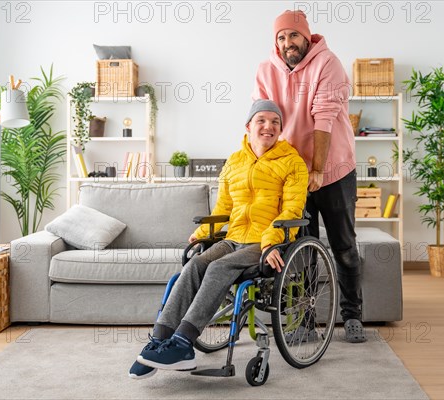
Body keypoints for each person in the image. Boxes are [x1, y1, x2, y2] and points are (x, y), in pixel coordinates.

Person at [129, 99, 308, 379]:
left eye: (275, 122)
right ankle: (160, 340)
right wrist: (203, 233)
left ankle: (183, 343)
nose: (268, 126)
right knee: (194, 266)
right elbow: (223, 209)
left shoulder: (293, 163)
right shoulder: (235, 161)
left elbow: (292, 210)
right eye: (261, 120)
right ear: (249, 126)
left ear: (281, 130)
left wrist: (271, 241)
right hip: (233, 237)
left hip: (265, 242)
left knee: (218, 267)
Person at [253, 10, 366, 343]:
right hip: (292, 176)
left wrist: (317, 169)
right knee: (300, 251)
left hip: (332, 171)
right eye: (281, 37)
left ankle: (352, 314)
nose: (288, 43)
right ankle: (304, 320)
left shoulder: (327, 63)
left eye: (294, 36)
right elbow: (262, 120)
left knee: (344, 247)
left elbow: (324, 119)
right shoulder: (265, 70)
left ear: (306, 36)